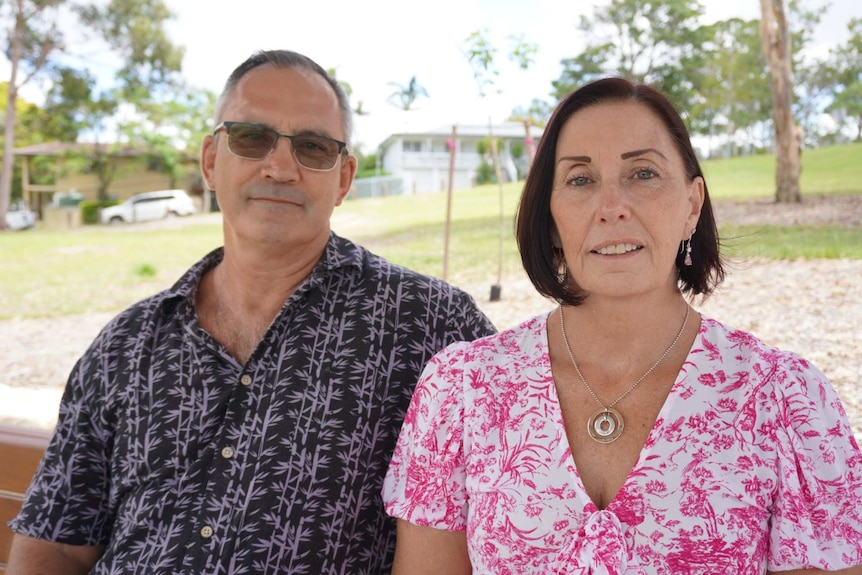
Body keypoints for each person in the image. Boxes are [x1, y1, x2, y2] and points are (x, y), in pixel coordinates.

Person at [7, 50, 496, 574]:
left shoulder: (431, 328)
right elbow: (55, 543)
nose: (280, 167)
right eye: (251, 137)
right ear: (211, 161)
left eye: (312, 147)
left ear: (344, 178)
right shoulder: (124, 345)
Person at [382, 77, 862, 574]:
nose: (612, 207)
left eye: (643, 173)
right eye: (580, 180)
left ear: (692, 205)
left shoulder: (786, 401)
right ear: (549, 216)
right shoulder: (461, 390)